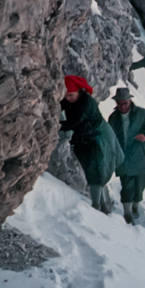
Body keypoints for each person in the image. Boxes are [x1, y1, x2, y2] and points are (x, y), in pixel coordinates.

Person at [59, 75, 124, 213]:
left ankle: (97, 207)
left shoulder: (86, 103)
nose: (68, 98)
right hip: (86, 138)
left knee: (96, 171)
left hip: (99, 138)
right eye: (65, 96)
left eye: (70, 95)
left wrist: (54, 125)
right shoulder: (72, 100)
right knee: (92, 170)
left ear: (78, 92)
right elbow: (63, 105)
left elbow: (73, 122)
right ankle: (101, 204)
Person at [107, 87, 145, 225]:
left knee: (139, 187)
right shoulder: (113, 118)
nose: (122, 107)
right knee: (127, 186)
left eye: (124, 103)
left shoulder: (141, 114)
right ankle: (127, 213)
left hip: (141, 157)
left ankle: (136, 207)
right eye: (119, 104)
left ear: (130, 101)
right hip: (124, 158)